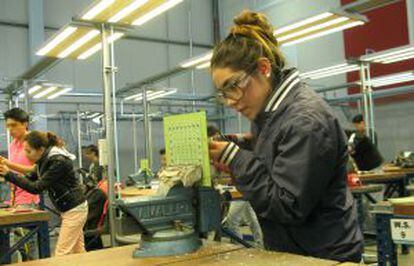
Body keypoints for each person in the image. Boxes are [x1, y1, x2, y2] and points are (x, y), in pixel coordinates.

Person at [208, 10, 363, 262]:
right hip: (295, 252)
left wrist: (236, 158)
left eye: (233, 86)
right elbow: (276, 150)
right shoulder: (270, 113)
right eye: (223, 93)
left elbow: (287, 204)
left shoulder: (306, 120)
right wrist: (238, 144)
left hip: (324, 257)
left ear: (263, 68)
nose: (229, 101)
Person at [0, 131, 88, 256]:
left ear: (40, 149)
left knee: (62, 253)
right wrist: (7, 175)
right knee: (79, 251)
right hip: (70, 208)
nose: (26, 155)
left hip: (75, 209)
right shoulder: (44, 160)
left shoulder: (57, 162)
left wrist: (9, 174)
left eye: (28, 151)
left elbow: (36, 188)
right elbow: (31, 178)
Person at [1, 108, 39, 207]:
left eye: (14, 125)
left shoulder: (34, 142)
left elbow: (36, 170)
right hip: (14, 199)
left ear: (25, 124)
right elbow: (14, 172)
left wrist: (8, 164)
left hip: (29, 198)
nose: (10, 129)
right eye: (8, 126)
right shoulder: (13, 144)